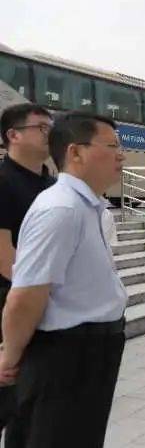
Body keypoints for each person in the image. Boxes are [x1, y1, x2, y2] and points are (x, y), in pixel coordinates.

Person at [0, 112, 128, 447]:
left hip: (90, 351)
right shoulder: (61, 209)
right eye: (112, 145)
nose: (121, 155)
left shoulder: (86, 206)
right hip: (66, 356)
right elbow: (26, 294)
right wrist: (10, 356)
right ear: (75, 152)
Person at [0, 104, 55, 447]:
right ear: (13, 135)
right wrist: (36, 292)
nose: (49, 133)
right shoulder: (3, 183)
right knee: (9, 395)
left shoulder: (52, 184)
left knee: (32, 402)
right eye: (41, 128)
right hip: (14, 298)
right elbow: (3, 252)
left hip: (46, 300)